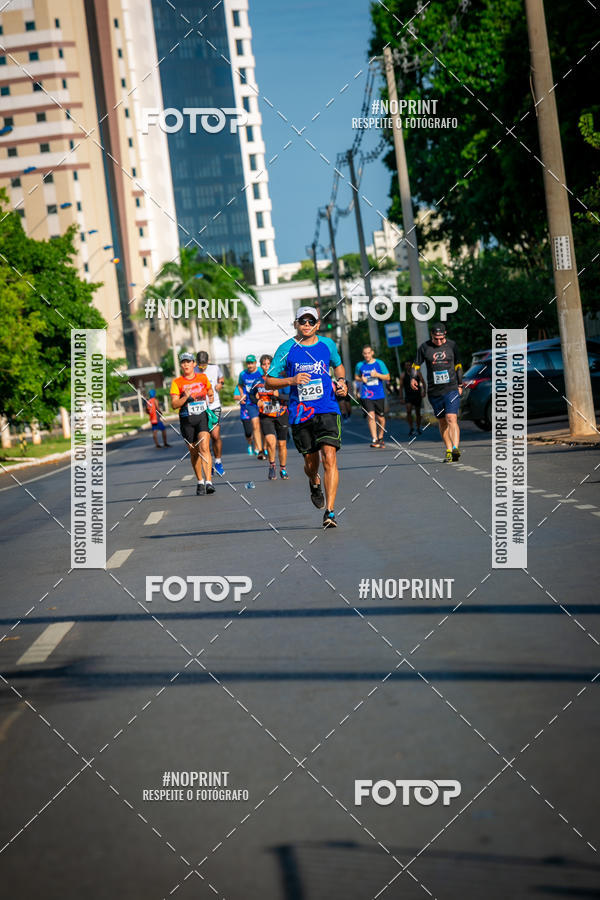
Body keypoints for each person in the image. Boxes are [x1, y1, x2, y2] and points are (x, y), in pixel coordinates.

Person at [266, 306, 347, 528]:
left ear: (318, 324)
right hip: (301, 413)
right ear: (296, 324)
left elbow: (339, 367)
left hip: (327, 408)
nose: (307, 325)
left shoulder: (327, 345)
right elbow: (269, 381)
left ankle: (330, 512)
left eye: (312, 321)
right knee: (312, 464)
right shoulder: (286, 348)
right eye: (303, 321)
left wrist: (342, 383)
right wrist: (291, 380)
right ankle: (314, 481)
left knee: (329, 457)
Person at [411, 322, 463, 462]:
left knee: (451, 418)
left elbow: (458, 365)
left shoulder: (452, 345)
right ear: (431, 335)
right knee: (442, 422)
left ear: (445, 334)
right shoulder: (424, 347)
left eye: (441, 338)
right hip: (434, 391)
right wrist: (413, 377)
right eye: (436, 338)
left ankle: (455, 449)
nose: (439, 341)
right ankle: (448, 449)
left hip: (451, 388)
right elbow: (415, 365)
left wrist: (460, 384)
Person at [170, 352, 215, 494]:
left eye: (188, 361)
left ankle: (209, 482)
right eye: (183, 362)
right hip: (186, 420)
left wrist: (211, 395)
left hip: (201, 416)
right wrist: (185, 397)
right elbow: (174, 404)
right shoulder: (177, 382)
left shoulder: (202, 377)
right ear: (181, 365)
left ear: (194, 364)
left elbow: (209, 389)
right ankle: (200, 482)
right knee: (194, 452)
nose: (186, 364)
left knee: (204, 448)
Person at [251, 370, 289, 480]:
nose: (266, 367)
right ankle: (272, 466)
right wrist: (256, 401)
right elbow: (251, 396)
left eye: (268, 364)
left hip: (281, 414)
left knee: (282, 444)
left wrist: (279, 395)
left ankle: (283, 468)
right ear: (261, 366)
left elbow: (289, 396)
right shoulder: (258, 382)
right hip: (266, 415)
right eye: (264, 364)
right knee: (271, 442)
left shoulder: (282, 380)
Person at [354, 345, 391, 448]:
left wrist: (377, 375)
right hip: (366, 395)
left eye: (368, 353)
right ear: (363, 354)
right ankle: (374, 439)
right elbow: (356, 377)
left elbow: (388, 376)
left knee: (381, 418)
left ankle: (380, 437)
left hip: (379, 394)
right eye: (365, 353)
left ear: (372, 353)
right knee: (371, 415)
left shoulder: (379, 363)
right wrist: (362, 380)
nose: (367, 355)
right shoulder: (359, 365)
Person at [196, 351, 225, 476]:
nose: (202, 368)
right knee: (204, 438)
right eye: (200, 365)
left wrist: (220, 384)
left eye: (204, 365)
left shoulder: (215, 368)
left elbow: (221, 378)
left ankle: (218, 461)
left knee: (215, 435)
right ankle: (209, 464)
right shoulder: (194, 370)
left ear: (208, 362)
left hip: (214, 406)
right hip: (200, 407)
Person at [238, 354, 264, 459]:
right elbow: (240, 385)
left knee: (264, 426)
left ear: (255, 363)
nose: (250, 365)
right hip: (250, 403)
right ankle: (260, 450)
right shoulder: (243, 374)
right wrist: (241, 394)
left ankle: (265, 447)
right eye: (248, 363)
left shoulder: (260, 372)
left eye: (252, 363)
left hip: (262, 401)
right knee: (255, 424)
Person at [402, 361, 425, 436]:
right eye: (406, 365)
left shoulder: (417, 373)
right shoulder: (403, 375)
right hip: (408, 396)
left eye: (409, 365)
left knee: (417, 412)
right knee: (408, 411)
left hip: (417, 395)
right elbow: (401, 387)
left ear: (412, 366)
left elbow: (423, 382)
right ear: (405, 366)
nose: (408, 366)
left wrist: (424, 391)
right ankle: (411, 428)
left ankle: (418, 428)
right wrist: (401, 397)